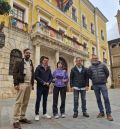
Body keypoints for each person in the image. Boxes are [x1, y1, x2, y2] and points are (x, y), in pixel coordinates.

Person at [13, 48, 34, 129]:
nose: (28, 54)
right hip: (21, 84)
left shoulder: (31, 62)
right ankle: (15, 120)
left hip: (29, 85)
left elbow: (32, 73)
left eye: (29, 53)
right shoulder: (19, 62)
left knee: (25, 102)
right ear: (24, 53)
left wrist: (32, 84)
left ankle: (22, 117)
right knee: (18, 102)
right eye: (26, 53)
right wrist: (16, 83)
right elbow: (14, 72)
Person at [88, 55, 113, 121]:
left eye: (96, 58)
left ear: (98, 59)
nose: (95, 59)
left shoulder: (103, 65)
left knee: (106, 98)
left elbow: (107, 73)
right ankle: (101, 112)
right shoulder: (90, 67)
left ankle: (108, 114)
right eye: (94, 58)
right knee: (98, 99)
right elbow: (89, 75)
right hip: (95, 85)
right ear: (92, 59)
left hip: (103, 84)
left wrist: (103, 79)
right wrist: (94, 80)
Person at [35, 56, 53, 121]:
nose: (46, 62)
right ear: (42, 61)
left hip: (46, 87)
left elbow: (51, 77)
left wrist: (48, 82)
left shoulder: (49, 69)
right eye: (45, 60)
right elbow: (36, 76)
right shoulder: (38, 68)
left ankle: (44, 113)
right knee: (38, 100)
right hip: (40, 86)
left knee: (45, 100)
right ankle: (36, 114)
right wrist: (43, 82)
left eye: (47, 61)